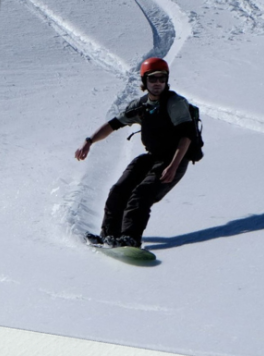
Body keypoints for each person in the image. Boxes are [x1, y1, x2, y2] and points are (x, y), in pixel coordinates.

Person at [74, 57, 195, 248]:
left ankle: (131, 239)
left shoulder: (175, 103)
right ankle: (109, 236)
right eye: (153, 79)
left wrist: (173, 166)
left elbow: (186, 136)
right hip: (152, 157)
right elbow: (113, 125)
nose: (157, 83)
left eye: (162, 79)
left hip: (175, 159)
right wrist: (89, 141)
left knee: (141, 193)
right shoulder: (141, 106)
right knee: (119, 190)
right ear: (144, 81)